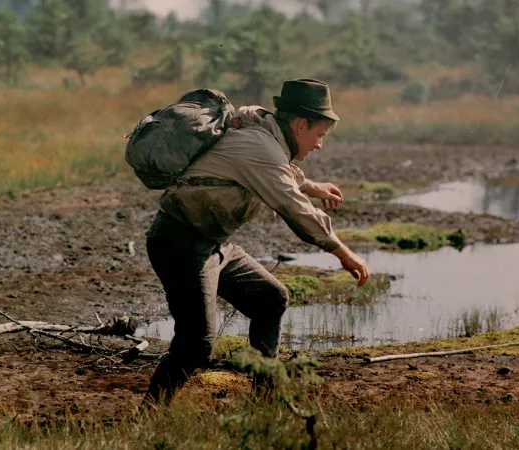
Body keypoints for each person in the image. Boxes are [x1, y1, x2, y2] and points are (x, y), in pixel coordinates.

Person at [141, 78, 371, 406]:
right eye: (319, 135)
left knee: (270, 298)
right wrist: (343, 253)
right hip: (180, 242)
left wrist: (312, 185)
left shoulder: (262, 134)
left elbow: (276, 170)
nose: (320, 144)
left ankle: (264, 402)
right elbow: (292, 206)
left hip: (211, 244)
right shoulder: (260, 146)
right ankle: (147, 417)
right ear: (301, 124)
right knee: (196, 344)